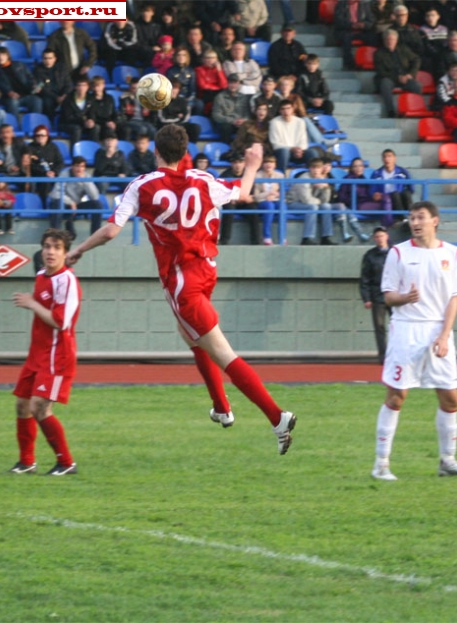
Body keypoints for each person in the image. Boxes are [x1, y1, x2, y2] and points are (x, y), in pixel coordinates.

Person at [67, 125, 296, 454]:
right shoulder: (204, 180)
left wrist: (79, 250)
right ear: (185, 152)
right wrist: (253, 164)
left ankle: (277, 417)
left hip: (182, 282)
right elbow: (244, 192)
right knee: (190, 334)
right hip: (206, 271)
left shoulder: (142, 186)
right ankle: (221, 407)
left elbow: (111, 232)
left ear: (156, 152)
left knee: (223, 354)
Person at [371, 200, 457, 481]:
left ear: (435, 221)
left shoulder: (453, 254)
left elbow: (454, 298)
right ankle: (381, 464)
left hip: (438, 332)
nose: (415, 222)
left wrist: (445, 335)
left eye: (420, 217)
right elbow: (387, 296)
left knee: (450, 396)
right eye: (411, 218)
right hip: (406, 330)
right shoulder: (398, 253)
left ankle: (448, 461)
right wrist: (404, 298)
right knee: (397, 396)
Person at [10, 228, 80, 476]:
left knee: (40, 407)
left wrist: (32, 303)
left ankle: (66, 462)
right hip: (37, 354)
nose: (50, 252)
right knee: (22, 405)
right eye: (47, 246)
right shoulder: (42, 275)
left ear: (65, 253)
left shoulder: (67, 281)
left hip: (56, 356)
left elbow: (61, 322)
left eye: (57, 247)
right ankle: (26, 462)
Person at [287, 157, 339, 246]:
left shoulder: (322, 178)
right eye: (313, 167)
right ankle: (307, 238)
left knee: (326, 206)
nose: (315, 170)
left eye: (318, 168)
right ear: (309, 168)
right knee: (312, 207)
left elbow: (325, 200)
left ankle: (326, 237)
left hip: (312, 202)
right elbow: (306, 199)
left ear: (322, 169)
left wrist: (326, 188)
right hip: (294, 203)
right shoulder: (303, 179)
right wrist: (319, 202)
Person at [48, 156, 103, 239]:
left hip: (76, 206)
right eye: (77, 166)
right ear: (72, 166)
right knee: (57, 203)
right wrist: (70, 202)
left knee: (97, 205)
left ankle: (95, 237)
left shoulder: (86, 176)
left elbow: (95, 197)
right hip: (63, 204)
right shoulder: (65, 174)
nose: (79, 169)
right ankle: (55, 236)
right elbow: (56, 193)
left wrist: (85, 181)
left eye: (82, 166)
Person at [360, 226, 391, 365]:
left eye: (382, 236)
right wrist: (366, 298)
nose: (380, 239)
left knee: (400, 325)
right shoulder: (370, 255)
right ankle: (383, 356)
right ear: (374, 238)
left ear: (387, 237)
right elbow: (365, 278)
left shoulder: (396, 253)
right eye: (377, 236)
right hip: (377, 296)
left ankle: (399, 353)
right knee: (379, 327)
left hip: (395, 296)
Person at [374, 29, 422, 119]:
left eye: (392, 39)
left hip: (405, 77)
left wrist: (410, 74)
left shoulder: (403, 49)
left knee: (416, 86)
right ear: (384, 41)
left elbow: (416, 59)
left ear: (396, 40)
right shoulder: (378, 54)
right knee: (385, 84)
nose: (389, 42)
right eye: (387, 39)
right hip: (389, 77)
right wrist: (397, 77)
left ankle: (415, 109)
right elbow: (381, 71)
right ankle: (390, 111)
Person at [219, 152, 261, 245]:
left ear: (244, 163)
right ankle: (224, 240)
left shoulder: (248, 175)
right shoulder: (226, 175)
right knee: (228, 210)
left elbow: (252, 192)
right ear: (231, 164)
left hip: (245, 201)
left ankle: (256, 241)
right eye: (235, 162)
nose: (238, 165)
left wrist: (245, 197)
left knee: (253, 210)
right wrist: (239, 197)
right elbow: (224, 192)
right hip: (231, 201)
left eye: (240, 162)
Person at [0, 47, 43, 118]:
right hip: (9, 98)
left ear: (8, 56)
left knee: (36, 100)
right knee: (13, 103)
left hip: (25, 95)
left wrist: (34, 85)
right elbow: (2, 86)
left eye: (3, 55)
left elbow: (30, 77)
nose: (0, 57)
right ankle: (15, 126)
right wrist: (9, 92)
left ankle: (35, 124)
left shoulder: (20, 65)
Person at [369, 149, 414, 222]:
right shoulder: (376, 174)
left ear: (394, 158)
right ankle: (403, 219)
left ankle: (412, 216)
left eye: (389, 156)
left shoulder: (402, 171)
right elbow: (372, 190)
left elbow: (411, 187)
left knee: (406, 194)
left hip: (400, 197)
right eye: (385, 157)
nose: (387, 159)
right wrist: (374, 195)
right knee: (394, 194)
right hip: (385, 197)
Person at [26, 124, 64, 206]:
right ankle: (43, 205)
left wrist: (54, 171)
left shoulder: (53, 147)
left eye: (43, 135)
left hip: (52, 174)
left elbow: (60, 162)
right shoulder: (29, 147)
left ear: (47, 136)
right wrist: (44, 172)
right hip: (37, 174)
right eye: (38, 135)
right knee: (46, 181)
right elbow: (29, 165)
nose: (40, 137)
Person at [334, 0, 377, 70]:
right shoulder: (341, 5)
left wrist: (364, 25)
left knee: (373, 37)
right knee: (346, 39)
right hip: (346, 30)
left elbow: (371, 21)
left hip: (361, 31)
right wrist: (351, 25)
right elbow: (339, 21)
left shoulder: (364, 5)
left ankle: (371, 61)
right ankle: (349, 64)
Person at [32, 48, 72, 122]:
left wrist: (64, 95)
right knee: (47, 102)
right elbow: (41, 88)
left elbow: (68, 84)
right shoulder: (38, 70)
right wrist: (56, 97)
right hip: (49, 96)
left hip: (63, 95)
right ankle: (50, 124)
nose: (47, 61)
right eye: (45, 58)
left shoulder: (62, 68)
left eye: (50, 58)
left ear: (55, 59)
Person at [253, 153, 285, 245]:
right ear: (262, 164)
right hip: (262, 201)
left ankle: (282, 237)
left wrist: (274, 196)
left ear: (275, 164)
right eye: (266, 162)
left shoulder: (280, 176)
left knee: (283, 206)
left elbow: (283, 194)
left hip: (276, 199)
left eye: (271, 162)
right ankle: (267, 237)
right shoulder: (257, 175)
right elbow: (256, 196)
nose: (269, 164)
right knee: (269, 206)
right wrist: (267, 194)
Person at [211, 73, 252, 143]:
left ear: (239, 83)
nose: (233, 85)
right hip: (226, 123)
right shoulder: (220, 97)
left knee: (249, 128)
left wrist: (244, 120)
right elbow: (216, 115)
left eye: (235, 83)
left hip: (240, 123)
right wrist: (232, 121)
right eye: (231, 83)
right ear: (227, 83)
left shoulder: (244, 97)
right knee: (226, 128)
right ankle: (225, 149)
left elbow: (247, 114)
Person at [116, 77, 158, 141]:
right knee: (142, 129)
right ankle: (140, 147)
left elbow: (153, 112)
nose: (136, 90)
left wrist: (152, 122)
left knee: (152, 129)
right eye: (133, 88)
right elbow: (122, 113)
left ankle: (152, 148)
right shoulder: (125, 98)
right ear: (130, 88)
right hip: (130, 120)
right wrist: (123, 122)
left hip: (144, 121)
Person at [166, 47, 204, 115]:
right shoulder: (170, 71)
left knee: (199, 104)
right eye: (179, 55)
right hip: (175, 98)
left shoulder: (191, 71)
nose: (181, 57)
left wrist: (189, 99)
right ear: (175, 57)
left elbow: (192, 88)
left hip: (188, 97)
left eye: (184, 55)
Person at [58, 76, 93, 146]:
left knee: (95, 127)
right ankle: (75, 152)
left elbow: (92, 112)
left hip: (83, 123)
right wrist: (83, 121)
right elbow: (68, 117)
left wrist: (91, 120)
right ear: (75, 87)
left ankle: (94, 149)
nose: (81, 88)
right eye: (79, 85)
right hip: (67, 124)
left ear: (87, 87)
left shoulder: (91, 98)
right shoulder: (68, 99)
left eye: (84, 85)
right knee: (77, 129)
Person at [195, 49, 228, 114]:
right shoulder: (199, 70)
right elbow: (202, 86)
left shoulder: (219, 70)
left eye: (213, 58)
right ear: (203, 60)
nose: (210, 60)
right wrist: (217, 87)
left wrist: (219, 71)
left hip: (217, 94)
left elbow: (224, 85)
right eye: (207, 58)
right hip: (205, 95)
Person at [86, 75, 117, 142]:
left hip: (107, 123)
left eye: (98, 86)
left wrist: (114, 122)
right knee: (96, 128)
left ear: (103, 85)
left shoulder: (109, 98)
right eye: (94, 86)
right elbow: (89, 114)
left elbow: (114, 112)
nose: (96, 88)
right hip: (95, 123)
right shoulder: (89, 99)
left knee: (110, 129)